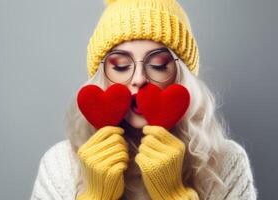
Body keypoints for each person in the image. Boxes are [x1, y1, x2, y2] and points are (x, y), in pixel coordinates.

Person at [30, 0, 258, 199]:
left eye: (158, 65)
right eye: (120, 66)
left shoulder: (226, 162)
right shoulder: (60, 164)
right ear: (102, 78)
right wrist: (96, 196)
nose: (139, 79)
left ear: (182, 78)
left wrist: (173, 196)